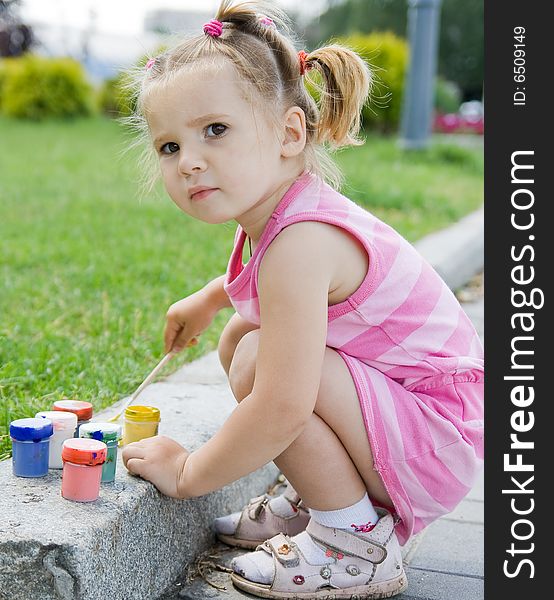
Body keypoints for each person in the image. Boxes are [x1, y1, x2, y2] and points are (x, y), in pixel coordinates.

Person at [121, 1, 484, 598]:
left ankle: (353, 542)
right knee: (244, 334)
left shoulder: (300, 242)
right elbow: (272, 292)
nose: (188, 161)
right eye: (168, 146)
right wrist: (212, 298)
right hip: (425, 427)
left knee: (262, 358)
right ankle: (328, 496)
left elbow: (283, 408)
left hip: (435, 443)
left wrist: (190, 474)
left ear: (290, 134)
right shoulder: (281, 218)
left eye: (215, 130)